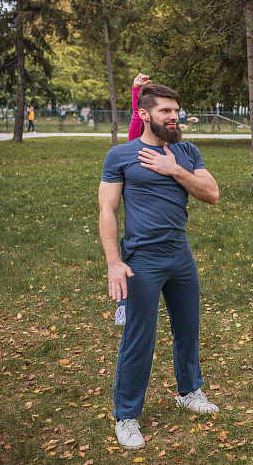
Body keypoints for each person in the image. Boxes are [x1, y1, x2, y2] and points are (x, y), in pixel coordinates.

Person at [99, 83, 220, 449]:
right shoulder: (121, 155)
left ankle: (189, 392)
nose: (174, 116)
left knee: (188, 329)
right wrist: (114, 263)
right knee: (139, 338)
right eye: (166, 111)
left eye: (176, 110)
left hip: (180, 255)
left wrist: (174, 169)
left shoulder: (185, 151)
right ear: (144, 114)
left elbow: (211, 194)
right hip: (142, 261)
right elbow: (108, 209)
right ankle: (127, 415)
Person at [114, 73, 153, 326]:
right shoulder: (133, 148)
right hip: (136, 221)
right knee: (131, 256)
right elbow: (137, 120)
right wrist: (136, 91)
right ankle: (124, 306)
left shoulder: (172, 147)